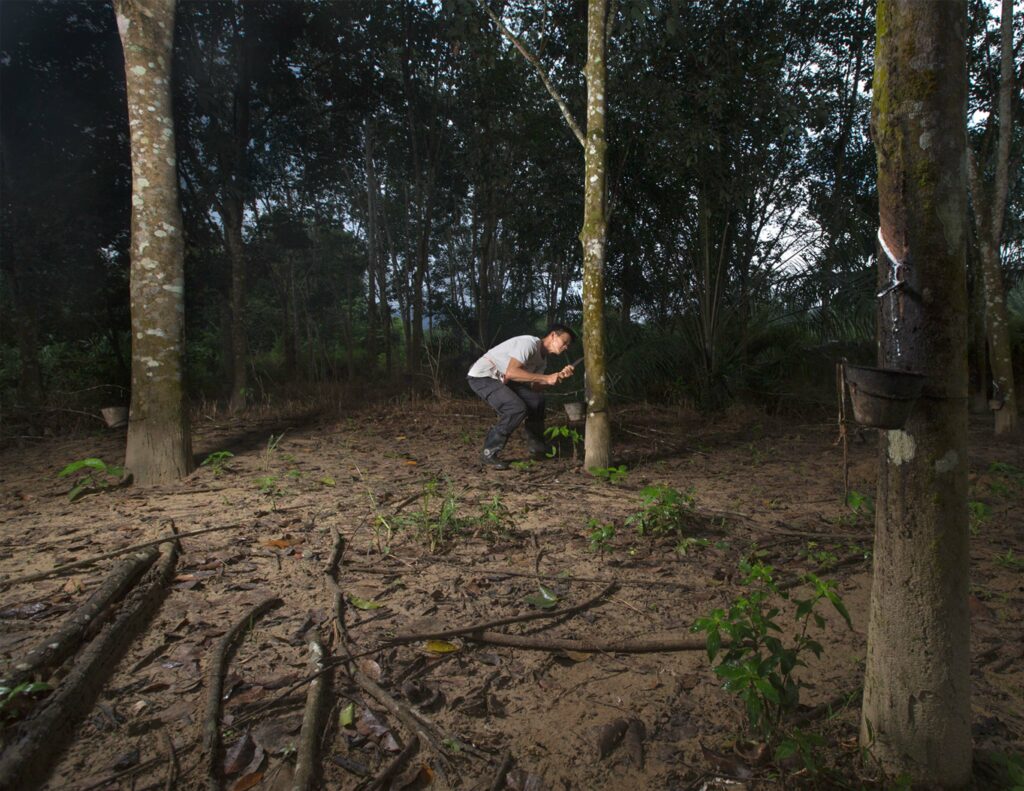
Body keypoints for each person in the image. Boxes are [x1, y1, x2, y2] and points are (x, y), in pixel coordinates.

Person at [467, 324, 577, 469]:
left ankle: (537, 448)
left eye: (568, 345)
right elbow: (512, 372)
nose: (566, 347)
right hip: (483, 376)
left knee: (537, 401)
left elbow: (535, 386)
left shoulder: (542, 360)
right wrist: (546, 378)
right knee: (516, 408)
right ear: (553, 336)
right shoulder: (529, 344)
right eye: (564, 342)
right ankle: (489, 452)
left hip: (505, 379)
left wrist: (558, 377)